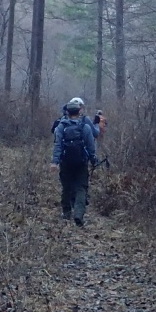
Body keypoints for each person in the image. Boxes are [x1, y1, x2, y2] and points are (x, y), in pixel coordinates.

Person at [51, 97, 98, 226]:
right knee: (81, 188)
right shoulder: (85, 127)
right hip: (81, 162)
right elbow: (91, 147)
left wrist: (55, 162)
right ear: (79, 111)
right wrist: (93, 160)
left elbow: (58, 146)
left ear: (67, 112)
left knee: (66, 187)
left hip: (65, 162)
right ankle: (78, 214)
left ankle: (66, 213)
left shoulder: (61, 127)